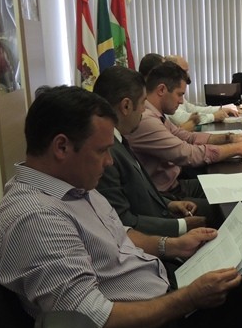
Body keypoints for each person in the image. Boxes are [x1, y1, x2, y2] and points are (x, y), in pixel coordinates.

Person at [0, 85, 242, 328]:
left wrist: (172, 245)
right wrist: (189, 299)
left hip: (161, 290)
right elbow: (95, 326)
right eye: (101, 151)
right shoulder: (35, 219)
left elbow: (118, 234)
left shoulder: (71, 185)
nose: (109, 162)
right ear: (61, 147)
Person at [93, 66, 221, 235]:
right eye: (142, 103)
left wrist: (169, 203)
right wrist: (181, 226)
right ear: (126, 106)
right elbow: (122, 222)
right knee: (224, 210)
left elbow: (141, 190)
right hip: (156, 229)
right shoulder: (106, 153)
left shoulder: (120, 138)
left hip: (163, 206)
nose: (144, 110)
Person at [126, 61, 242, 198]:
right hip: (166, 195)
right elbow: (188, 154)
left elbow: (187, 137)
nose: (181, 101)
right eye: (179, 94)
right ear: (161, 90)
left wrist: (230, 138)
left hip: (175, 183)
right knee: (233, 195)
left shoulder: (156, 114)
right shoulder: (147, 119)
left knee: (235, 186)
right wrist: (237, 149)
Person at [165, 54, 238, 127]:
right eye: (184, 71)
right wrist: (213, 116)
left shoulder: (175, 91)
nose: (187, 75)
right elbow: (181, 119)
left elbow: (192, 109)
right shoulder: (167, 93)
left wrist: (220, 109)